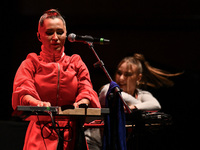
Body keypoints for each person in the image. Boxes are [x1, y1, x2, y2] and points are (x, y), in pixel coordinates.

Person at [12, 9, 101, 150]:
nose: (55, 37)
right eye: (49, 33)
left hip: (72, 133)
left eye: (60, 32)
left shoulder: (76, 62)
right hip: (41, 131)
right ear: (39, 36)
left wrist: (83, 102)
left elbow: (86, 88)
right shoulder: (31, 62)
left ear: (66, 34)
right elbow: (23, 90)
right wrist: (38, 103)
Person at [85, 53, 181, 150]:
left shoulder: (142, 94)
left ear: (138, 77)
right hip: (93, 143)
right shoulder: (109, 89)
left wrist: (133, 107)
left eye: (128, 74)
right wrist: (138, 106)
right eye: (119, 73)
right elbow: (116, 95)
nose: (121, 78)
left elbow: (156, 105)